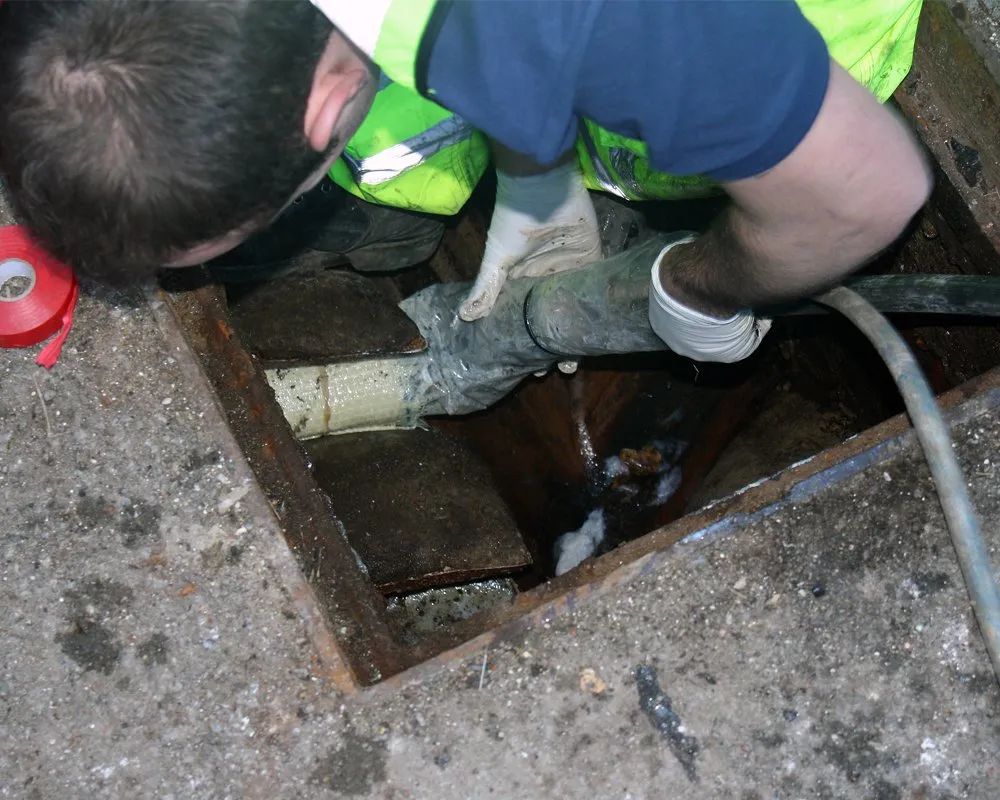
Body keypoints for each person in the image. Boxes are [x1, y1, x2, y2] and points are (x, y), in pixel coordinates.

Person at [0, 0, 931, 366]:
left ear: (328, 104)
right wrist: (535, 170)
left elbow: (865, 193)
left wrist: (696, 286)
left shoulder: (616, 22)